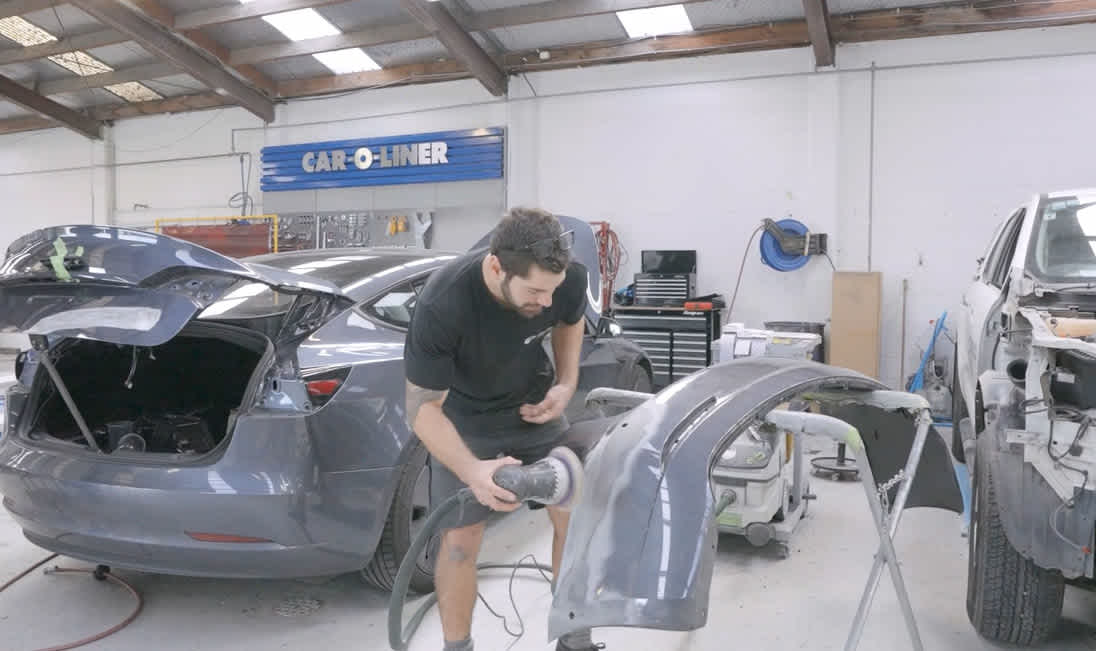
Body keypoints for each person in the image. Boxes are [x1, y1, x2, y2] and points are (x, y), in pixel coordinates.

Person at [403, 207, 603, 651]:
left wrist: (566, 383)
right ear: (496, 266)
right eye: (534, 291)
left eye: (551, 290)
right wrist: (474, 471)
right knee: (458, 542)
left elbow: (569, 319)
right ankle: (458, 647)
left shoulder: (565, 279)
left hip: (535, 411)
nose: (545, 302)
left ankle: (575, 638)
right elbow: (421, 409)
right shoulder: (444, 302)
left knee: (577, 516)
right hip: (465, 422)